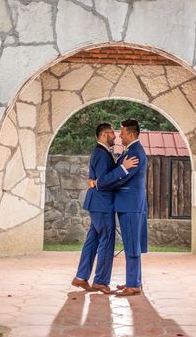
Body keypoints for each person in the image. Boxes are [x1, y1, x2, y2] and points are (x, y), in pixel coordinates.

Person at [71, 122, 138, 294]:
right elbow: (104, 180)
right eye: (111, 133)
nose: (115, 136)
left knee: (92, 240)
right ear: (103, 135)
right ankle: (100, 281)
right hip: (102, 204)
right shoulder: (101, 154)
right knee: (107, 241)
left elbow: (102, 178)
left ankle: (81, 277)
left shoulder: (102, 153)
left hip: (98, 204)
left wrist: (120, 162)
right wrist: (124, 168)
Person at [95, 118, 148, 296]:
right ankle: (134, 281)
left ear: (131, 134)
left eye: (122, 132)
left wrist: (100, 182)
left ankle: (133, 284)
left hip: (131, 206)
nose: (119, 135)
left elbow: (121, 177)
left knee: (132, 245)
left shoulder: (135, 153)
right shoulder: (129, 150)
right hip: (127, 205)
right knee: (131, 244)